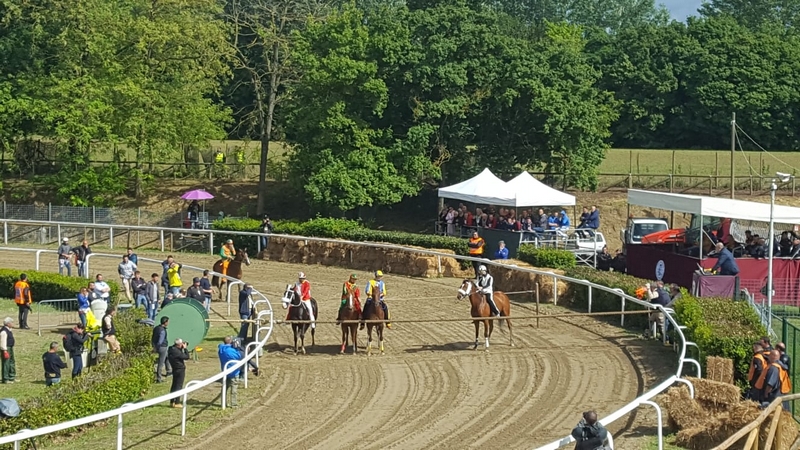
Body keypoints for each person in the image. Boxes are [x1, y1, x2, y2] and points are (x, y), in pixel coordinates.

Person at [218, 336, 242, 408]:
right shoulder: (232, 351)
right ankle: (234, 404)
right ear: (231, 341)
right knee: (234, 388)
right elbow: (239, 356)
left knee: (224, 388)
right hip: (234, 372)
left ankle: (223, 403)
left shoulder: (221, 349)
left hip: (225, 371)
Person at [167, 339, 190, 408]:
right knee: (179, 386)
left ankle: (172, 401)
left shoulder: (171, 349)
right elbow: (186, 357)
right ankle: (177, 402)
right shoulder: (177, 352)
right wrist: (185, 349)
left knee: (174, 385)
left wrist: (181, 349)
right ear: (179, 344)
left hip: (175, 369)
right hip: (180, 369)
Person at [152, 316, 171, 383]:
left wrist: (154, 346)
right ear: (165, 322)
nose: (168, 323)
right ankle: (159, 378)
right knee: (161, 363)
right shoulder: (162, 330)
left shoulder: (156, 328)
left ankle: (169, 371)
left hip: (157, 346)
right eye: (168, 321)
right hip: (162, 347)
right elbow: (160, 340)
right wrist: (157, 347)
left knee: (167, 357)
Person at [0, 318, 15, 383]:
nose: (12, 324)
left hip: (10, 347)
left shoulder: (9, 330)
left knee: (11, 362)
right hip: (6, 348)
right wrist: (5, 350)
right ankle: (5, 378)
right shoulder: (4, 331)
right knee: (6, 363)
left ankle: (11, 376)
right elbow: (2, 341)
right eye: (11, 322)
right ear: (8, 324)